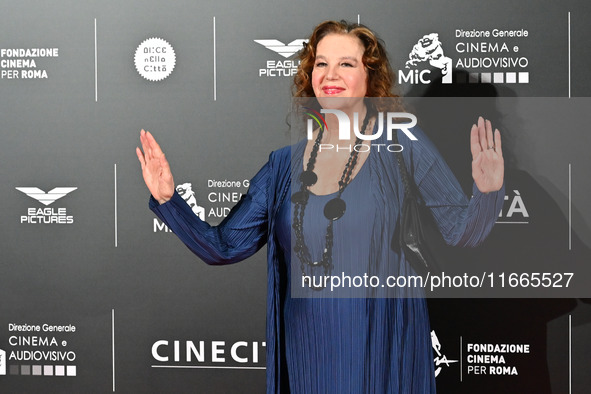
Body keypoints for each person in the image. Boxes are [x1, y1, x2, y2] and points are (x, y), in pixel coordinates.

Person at [137, 20, 504, 394]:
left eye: (347, 64)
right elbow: (224, 246)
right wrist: (169, 200)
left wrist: (487, 192)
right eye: (321, 63)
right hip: (308, 350)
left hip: (381, 343)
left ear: (370, 77)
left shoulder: (402, 144)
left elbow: (461, 230)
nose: (331, 75)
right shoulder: (283, 166)